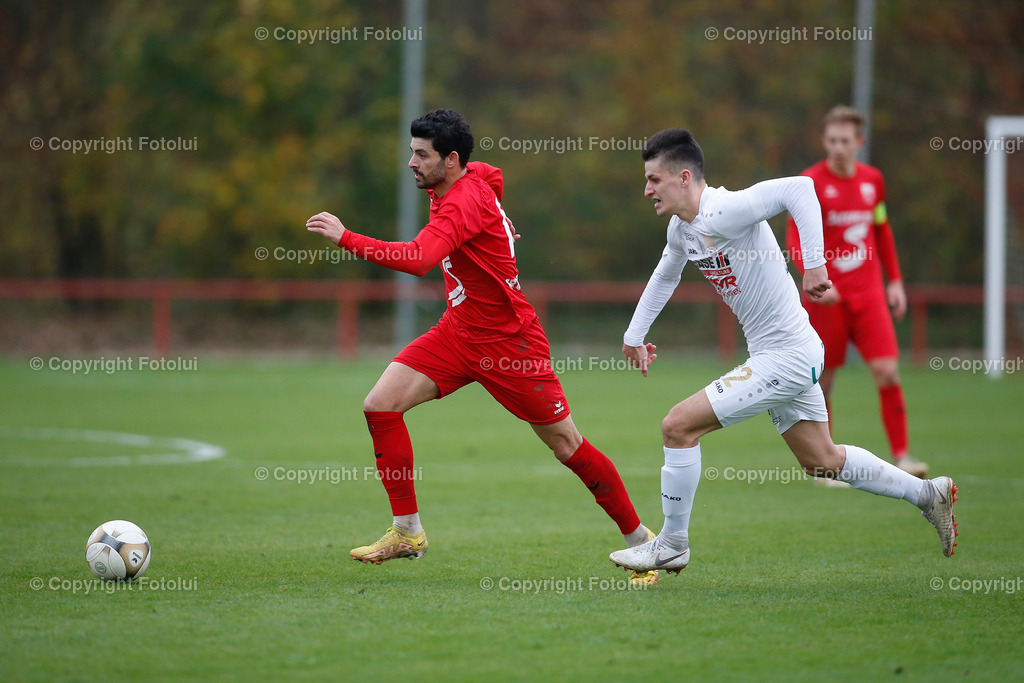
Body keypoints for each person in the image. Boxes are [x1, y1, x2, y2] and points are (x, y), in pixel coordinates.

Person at [306, 108, 658, 584]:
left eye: (421, 154)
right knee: (380, 406)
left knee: (566, 444)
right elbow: (493, 175)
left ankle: (645, 544)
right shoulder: (466, 179)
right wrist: (502, 224)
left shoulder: (459, 203)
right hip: (457, 332)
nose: (411, 162)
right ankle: (407, 531)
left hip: (510, 344)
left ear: (450, 160)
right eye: (411, 151)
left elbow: (419, 259)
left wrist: (346, 237)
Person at [607, 128, 958, 576]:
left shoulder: (725, 208)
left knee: (677, 426)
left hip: (787, 357)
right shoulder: (682, 229)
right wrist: (634, 336)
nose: (646, 190)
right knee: (823, 460)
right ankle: (931, 495)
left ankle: (672, 544)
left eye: (654, 180)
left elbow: (800, 188)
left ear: (683, 177)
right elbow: (664, 276)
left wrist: (814, 263)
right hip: (788, 352)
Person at [785, 106, 927, 478]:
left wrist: (894, 281)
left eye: (845, 141)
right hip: (826, 297)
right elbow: (794, 237)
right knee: (823, 381)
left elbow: (881, 229)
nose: (838, 148)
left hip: (869, 297)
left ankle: (903, 455)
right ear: (824, 141)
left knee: (888, 372)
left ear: (859, 142)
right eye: (831, 140)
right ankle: (825, 464)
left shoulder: (872, 181)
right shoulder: (809, 182)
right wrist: (811, 277)